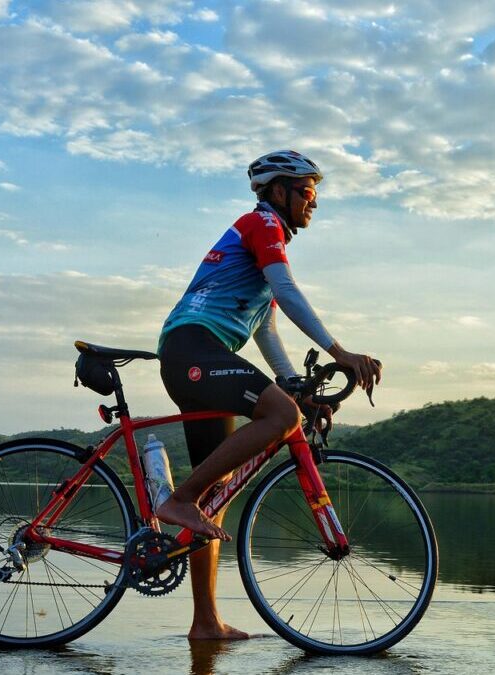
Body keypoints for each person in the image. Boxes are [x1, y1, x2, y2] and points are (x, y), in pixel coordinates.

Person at [155, 149, 382, 640]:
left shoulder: (259, 253)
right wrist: (340, 352)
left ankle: (205, 623)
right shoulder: (262, 224)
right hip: (195, 348)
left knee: (215, 497)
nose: (313, 202)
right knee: (278, 418)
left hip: (194, 354)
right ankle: (178, 499)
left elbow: (267, 333)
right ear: (278, 191)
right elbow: (289, 290)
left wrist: (297, 389)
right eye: (307, 192)